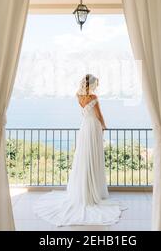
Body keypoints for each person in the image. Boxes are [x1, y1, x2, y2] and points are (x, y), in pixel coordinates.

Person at [33, 74, 126, 226]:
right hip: (93, 127)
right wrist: (104, 126)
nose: (97, 87)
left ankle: (84, 191)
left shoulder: (79, 96)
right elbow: (99, 115)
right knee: (93, 157)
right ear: (91, 84)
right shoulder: (93, 97)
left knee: (84, 157)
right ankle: (93, 190)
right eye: (96, 84)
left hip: (84, 128)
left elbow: (86, 112)